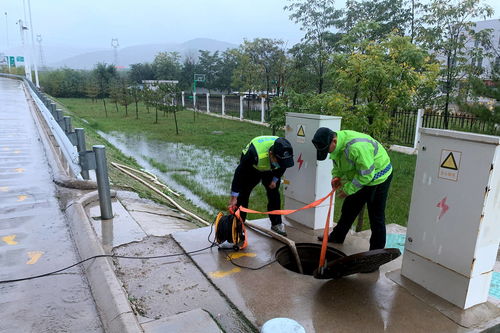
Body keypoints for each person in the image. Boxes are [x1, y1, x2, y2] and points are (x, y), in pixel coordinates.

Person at [312, 128, 393, 250]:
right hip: (362, 175)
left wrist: (348, 190)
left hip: (378, 177)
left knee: (376, 215)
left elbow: (366, 175)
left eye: (326, 150)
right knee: (349, 207)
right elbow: (338, 163)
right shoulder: (337, 146)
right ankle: (337, 237)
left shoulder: (356, 148)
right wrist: (336, 177)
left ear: (334, 140)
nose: (327, 153)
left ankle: (376, 254)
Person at [228, 136, 294, 236]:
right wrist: (234, 197)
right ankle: (239, 224)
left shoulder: (284, 152)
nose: (280, 164)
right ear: (271, 154)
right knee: (243, 194)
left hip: (270, 169)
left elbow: (283, 165)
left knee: (274, 194)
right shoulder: (252, 154)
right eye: (278, 161)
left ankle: (276, 223)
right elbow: (239, 173)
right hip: (252, 167)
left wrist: (275, 179)